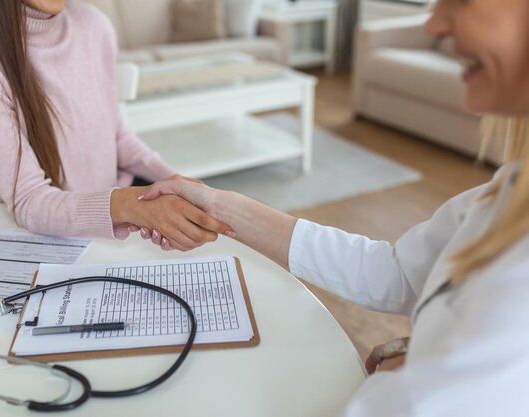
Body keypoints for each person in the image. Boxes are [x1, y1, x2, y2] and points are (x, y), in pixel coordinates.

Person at [137, 0, 529, 414]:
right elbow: (396, 274)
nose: (432, 24)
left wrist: (411, 372)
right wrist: (221, 203)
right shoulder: (507, 189)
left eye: (461, 1)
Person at [0, 0, 232, 251]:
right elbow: (30, 201)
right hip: (34, 241)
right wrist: (133, 207)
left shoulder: (93, 25)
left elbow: (117, 137)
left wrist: (175, 182)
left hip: (113, 226)